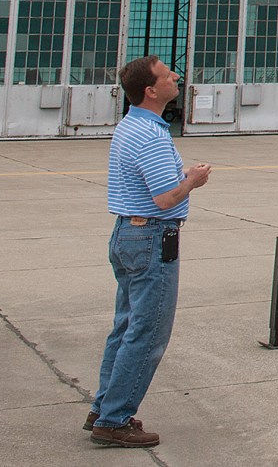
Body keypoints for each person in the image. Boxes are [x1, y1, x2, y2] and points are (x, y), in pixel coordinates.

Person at [89, 57, 212, 448]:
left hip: (129, 234)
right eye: (167, 75)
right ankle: (114, 420)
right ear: (151, 90)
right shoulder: (150, 135)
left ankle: (104, 407)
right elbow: (164, 198)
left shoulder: (132, 124)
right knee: (148, 332)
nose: (176, 77)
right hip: (151, 239)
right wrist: (191, 181)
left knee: (125, 326)